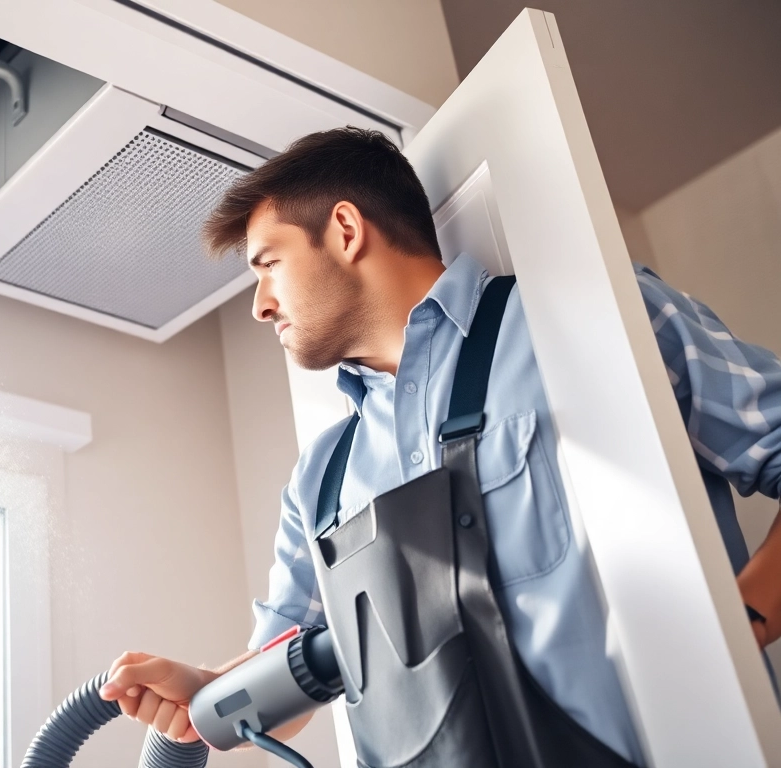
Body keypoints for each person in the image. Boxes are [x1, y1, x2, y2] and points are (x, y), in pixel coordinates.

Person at [98, 127, 781, 765]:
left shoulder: (591, 320)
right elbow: (289, 678)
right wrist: (208, 686)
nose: (259, 305)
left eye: (268, 264)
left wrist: (737, 628)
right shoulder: (321, 481)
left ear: (344, 230)